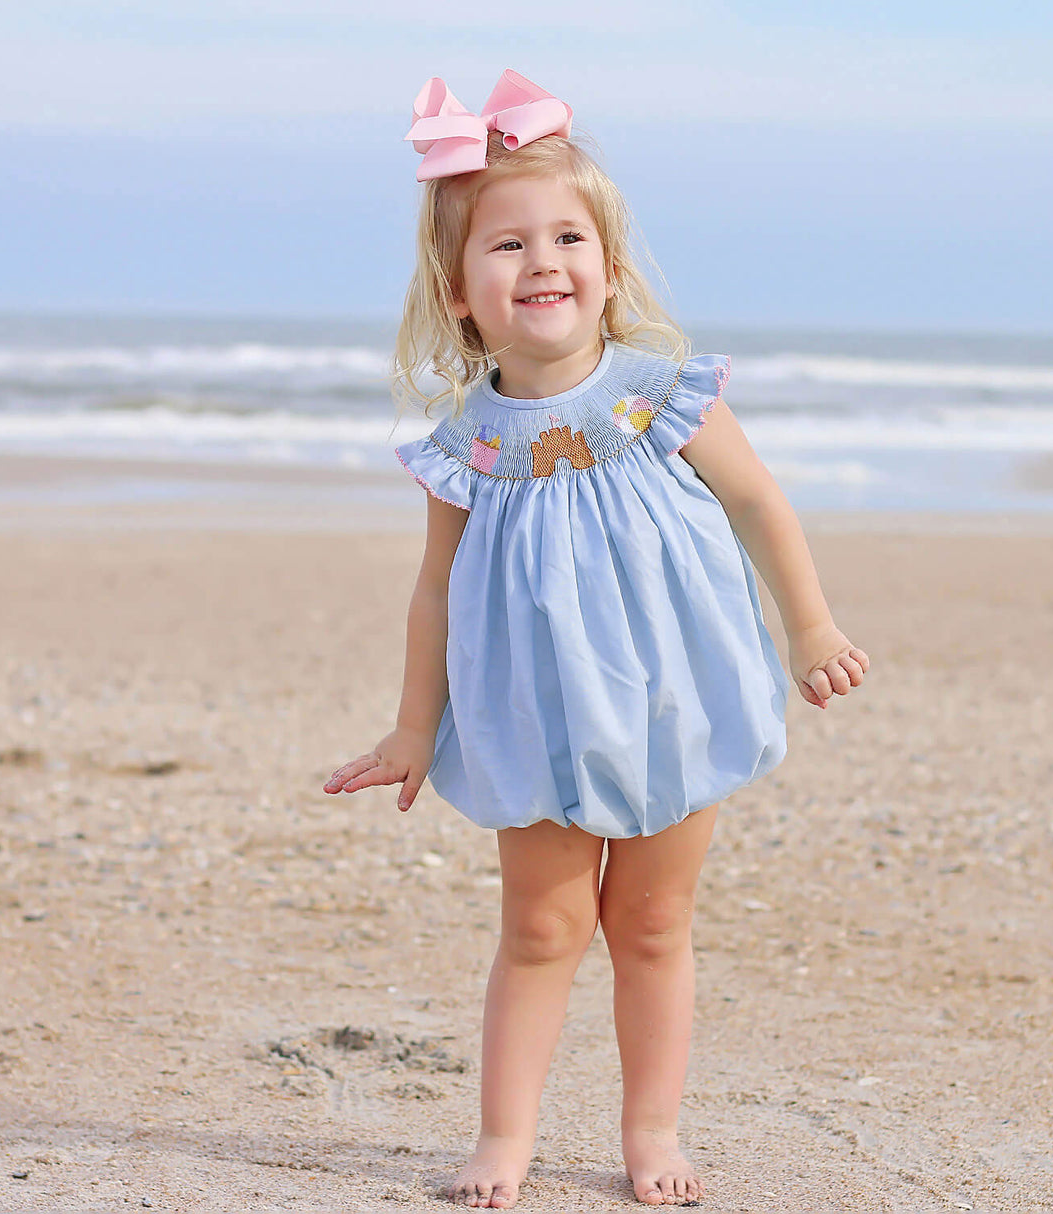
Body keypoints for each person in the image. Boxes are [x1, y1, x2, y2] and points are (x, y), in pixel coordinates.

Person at [324, 70, 870, 1210]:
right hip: (534, 710)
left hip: (671, 692)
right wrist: (412, 726)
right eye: (506, 244)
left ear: (607, 269)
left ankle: (649, 1126)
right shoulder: (464, 442)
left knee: (654, 919)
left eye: (566, 236)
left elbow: (761, 505)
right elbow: (434, 590)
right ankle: (504, 1135)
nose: (541, 261)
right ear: (458, 289)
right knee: (539, 924)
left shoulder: (659, 394)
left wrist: (807, 626)